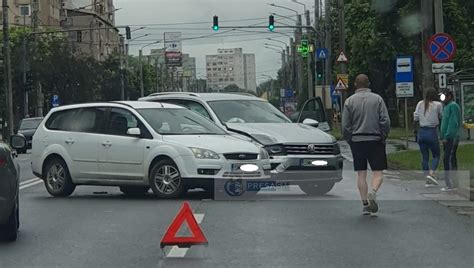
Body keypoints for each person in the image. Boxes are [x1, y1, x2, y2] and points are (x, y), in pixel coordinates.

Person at [342, 74, 391, 215]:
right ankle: (373, 192)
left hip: (357, 140)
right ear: (368, 84)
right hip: (375, 139)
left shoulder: (349, 101)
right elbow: (385, 120)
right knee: (378, 172)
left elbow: (345, 125)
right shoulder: (377, 99)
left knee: (361, 174)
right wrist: (384, 134)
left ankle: (364, 203)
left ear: (355, 85)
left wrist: (349, 138)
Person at [413, 88, 443, 187]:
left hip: (422, 132)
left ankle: (427, 176)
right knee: (436, 155)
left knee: (424, 156)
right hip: (432, 131)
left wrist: (415, 130)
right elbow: (441, 116)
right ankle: (431, 173)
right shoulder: (438, 105)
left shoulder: (420, 104)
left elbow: (416, 118)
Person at [439, 89, 461, 192]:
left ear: (449, 97)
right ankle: (449, 183)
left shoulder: (453, 106)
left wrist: (447, 136)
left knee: (449, 159)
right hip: (446, 138)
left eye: (445, 96)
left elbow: (453, 123)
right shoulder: (446, 107)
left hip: (451, 137)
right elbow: (444, 122)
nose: (443, 99)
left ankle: (452, 183)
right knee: (447, 159)